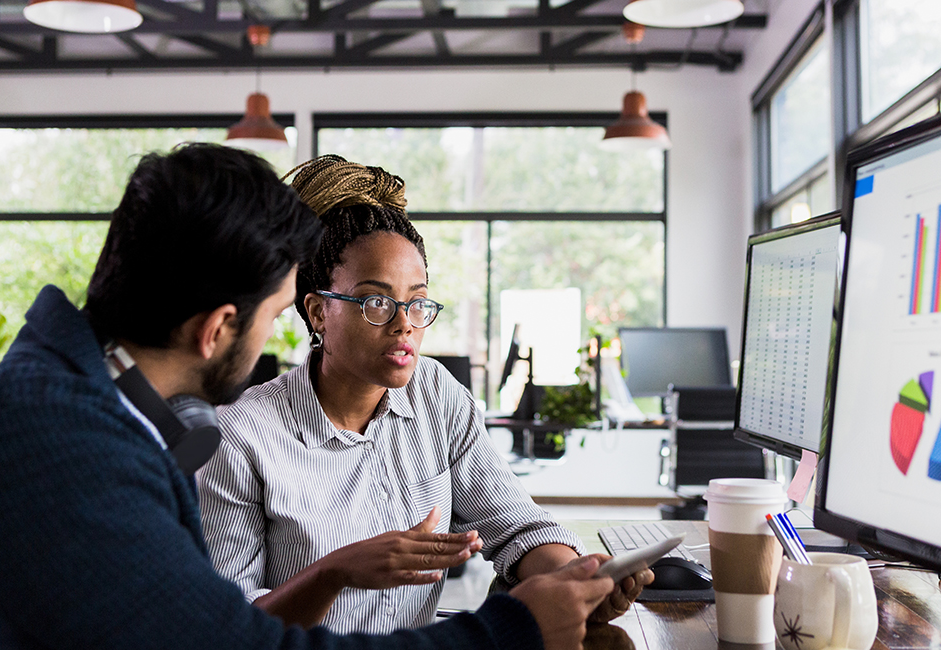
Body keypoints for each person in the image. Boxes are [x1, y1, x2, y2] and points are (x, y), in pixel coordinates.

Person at [0, 143, 615, 650]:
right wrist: (512, 629)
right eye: (278, 314)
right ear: (218, 329)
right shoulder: (61, 444)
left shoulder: (75, 403)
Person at [197, 154, 653, 635]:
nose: (404, 325)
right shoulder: (243, 437)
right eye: (376, 302)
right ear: (317, 312)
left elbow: (517, 528)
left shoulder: (434, 394)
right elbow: (232, 627)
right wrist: (334, 572)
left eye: (417, 302)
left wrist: (577, 578)